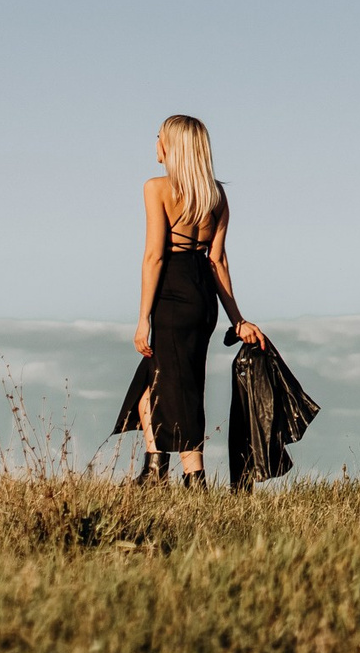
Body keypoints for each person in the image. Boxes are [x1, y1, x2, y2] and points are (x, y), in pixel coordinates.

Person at [114, 114, 266, 487]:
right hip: (203, 297)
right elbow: (218, 259)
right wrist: (237, 318)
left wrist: (143, 318)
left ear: (172, 146)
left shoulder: (156, 188)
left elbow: (155, 256)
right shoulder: (216, 194)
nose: (155, 144)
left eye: (158, 137)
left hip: (171, 292)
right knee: (157, 385)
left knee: (176, 387)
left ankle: (194, 477)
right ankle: (154, 471)